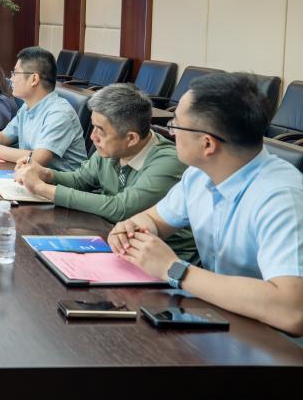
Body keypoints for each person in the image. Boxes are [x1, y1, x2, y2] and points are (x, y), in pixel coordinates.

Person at [108, 72, 303, 335]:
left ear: (207, 144)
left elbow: (291, 311)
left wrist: (173, 269)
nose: (171, 132)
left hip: (274, 341)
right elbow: (154, 220)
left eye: (176, 125)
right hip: (222, 318)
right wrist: (131, 230)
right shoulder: (199, 175)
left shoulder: (281, 197)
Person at [14, 83, 196, 262]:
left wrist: (42, 188)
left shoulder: (169, 161)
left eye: (100, 130)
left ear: (131, 138)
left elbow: (120, 208)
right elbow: (80, 180)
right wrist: (46, 174)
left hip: (167, 258)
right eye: (93, 126)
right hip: (116, 241)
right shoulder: (113, 149)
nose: (92, 136)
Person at [0, 46, 86, 169]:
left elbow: (38, 159)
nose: (11, 79)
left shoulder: (59, 113)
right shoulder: (27, 107)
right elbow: (3, 136)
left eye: (15, 73)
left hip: (58, 184)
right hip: (30, 177)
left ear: (34, 79)